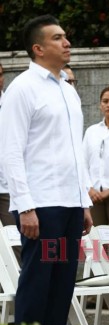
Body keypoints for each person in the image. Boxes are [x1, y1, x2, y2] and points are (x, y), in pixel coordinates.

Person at [0, 15, 93, 325]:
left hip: (70, 203)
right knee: (38, 279)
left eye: (65, 36)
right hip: (41, 204)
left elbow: (75, 151)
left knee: (63, 281)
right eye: (58, 38)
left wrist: (84, 200)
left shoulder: (67, 89)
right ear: (38, 48)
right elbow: (10, 152)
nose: (66, 43)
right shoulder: (22, 89)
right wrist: (25, 206)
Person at [83, 86, 109, 276]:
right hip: (93, 195)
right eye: (105, 101)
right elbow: (82, 162)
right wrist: (89, 187)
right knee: (95, 242)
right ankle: (97, 290)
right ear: (100, 105)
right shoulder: (92, 131)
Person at [0, 62, 21, 263]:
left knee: (15, 241)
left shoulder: (11, 102)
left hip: (8, 187)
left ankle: (17, 290)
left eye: (0, 74)